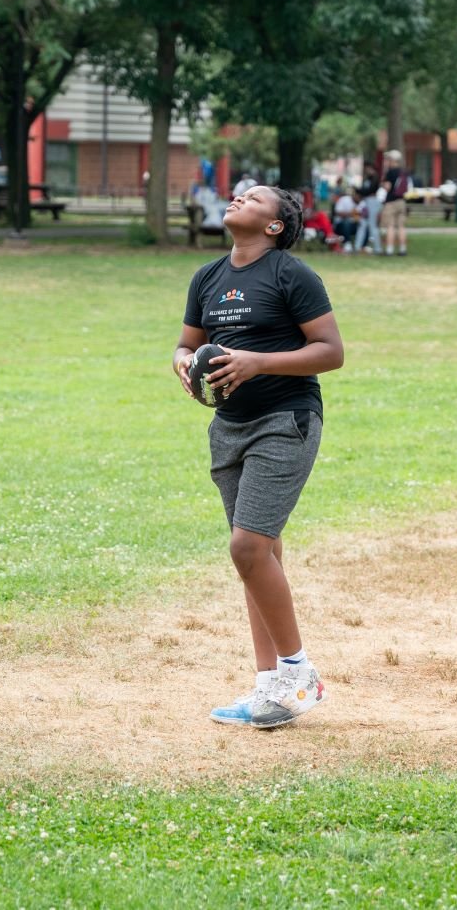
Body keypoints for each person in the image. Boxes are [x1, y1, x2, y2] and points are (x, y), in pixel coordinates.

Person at [173, 184, 344, 730]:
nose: (237, 199)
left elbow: (330, 351)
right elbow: (186, 343)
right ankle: (269, 690)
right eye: (238, 195)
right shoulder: (207, 277)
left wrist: (256, 362)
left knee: (246, 548)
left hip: (285, 420)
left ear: (274, 226)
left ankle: (299, 673)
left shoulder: (291, 274)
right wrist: (181, 362)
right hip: (228, 426)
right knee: (260, 555)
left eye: (253, 198)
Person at [380, 149, 410, 256]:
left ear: (392, 160)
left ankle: (389, 249)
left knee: (390, 226)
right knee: (401, 226)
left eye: (388, 159)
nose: (387, 161)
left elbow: (387, 187)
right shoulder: (403, 172)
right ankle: (402, 249)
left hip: (391, 202)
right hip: (401, 201)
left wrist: (383, 184)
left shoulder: (390, 172)